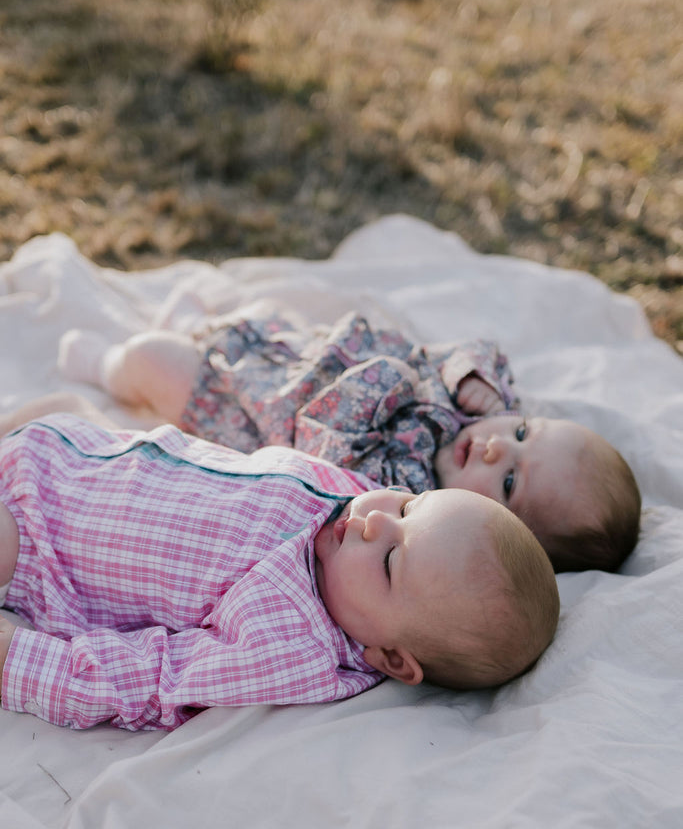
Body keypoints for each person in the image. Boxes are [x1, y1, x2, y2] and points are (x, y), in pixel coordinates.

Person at [0, 414, 559, 732]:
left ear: (389, 656)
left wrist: (18, 660)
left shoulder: (294, 643)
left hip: (34, 543)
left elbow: (154, 681)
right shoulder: (355, 500)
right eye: (411, 506)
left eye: (391, 560)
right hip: (67, 451)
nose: (374, 522)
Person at [57, 311, 641, 573]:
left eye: (509, 482)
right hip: (296, 350)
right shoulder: (479, 409)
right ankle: (202, 325)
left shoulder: (406, 492)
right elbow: (478, 350)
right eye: (522, 434)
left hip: (242, 405)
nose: (495, 448)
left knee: (154, 360)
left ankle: (110, 367)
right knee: (249, 320)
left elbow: (323, 435)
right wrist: (470, 376)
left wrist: (397, 375)